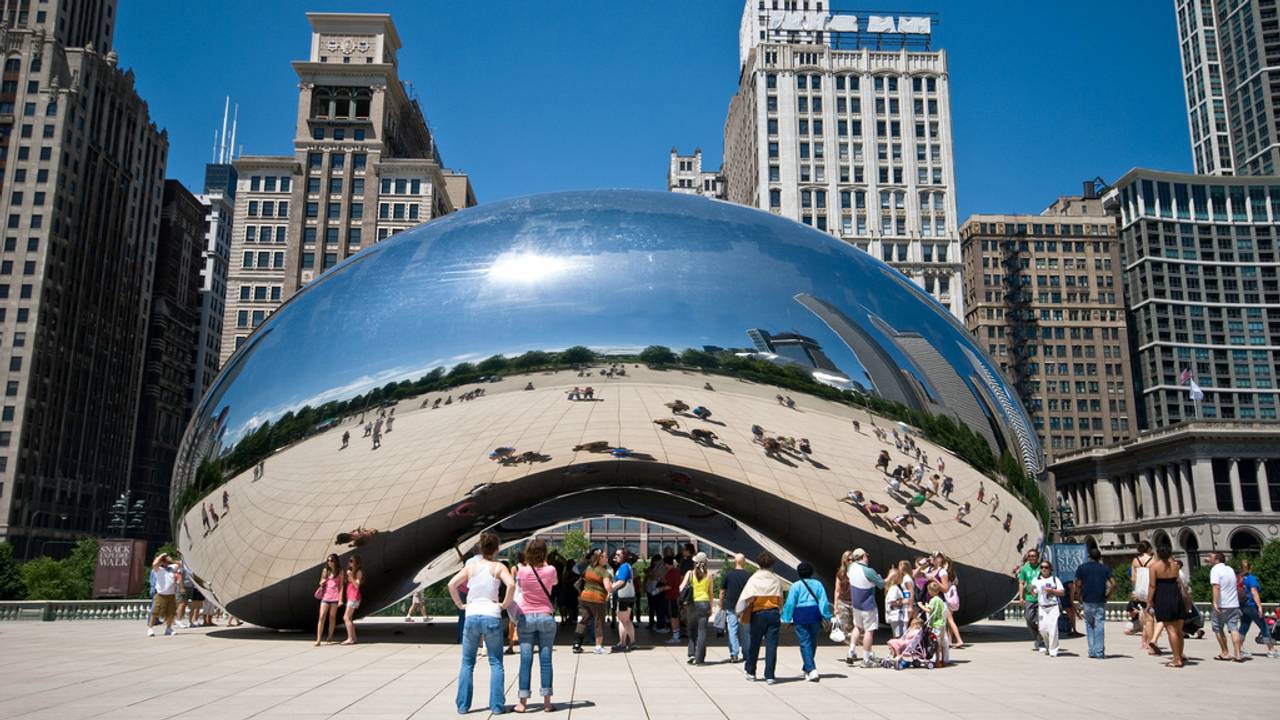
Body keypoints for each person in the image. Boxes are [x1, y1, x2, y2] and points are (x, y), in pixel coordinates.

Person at [449, 532, 515, 715]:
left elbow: (452, 584)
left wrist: (460, 605)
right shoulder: (498, 567)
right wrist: (504, 604)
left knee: (467, 663)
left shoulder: (471, 567)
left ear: (480, 548)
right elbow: (511, 585)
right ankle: (497, 705)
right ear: (496, 549)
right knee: (496, 662)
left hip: (472, 614)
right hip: (492, 615)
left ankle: (463, 705)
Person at [514, 538, 558, 713]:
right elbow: (554, 583)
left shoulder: (522, 571)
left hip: (526, 616)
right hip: (545, 616)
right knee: (546, 660)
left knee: (525, 660)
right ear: (544, 553)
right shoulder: (551, 570)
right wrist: (545, 563)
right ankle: (547, 702)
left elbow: (521, 586)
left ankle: (522, 703)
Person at [737, 551, 785, 684]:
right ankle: (770, 675)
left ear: (758, 563)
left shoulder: (754, 579)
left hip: (758, 614)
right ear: (772, 564)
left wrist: (740, 611)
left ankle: (751, 672)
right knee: (772, 645)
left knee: (755, 643)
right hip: (773, 613)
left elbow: (747, 598)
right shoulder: (776, 579)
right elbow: (780, 599)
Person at [780, 562, 831, 682]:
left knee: (804, 642)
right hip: (815, 613)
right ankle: (808, 667)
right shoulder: (818, 584)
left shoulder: (796, 586)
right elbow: (823, 601)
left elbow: (790, 603)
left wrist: (786, 619)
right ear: (811, 572)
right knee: (812, 641)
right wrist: (826, 615)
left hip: (801, 614)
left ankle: (811, 669)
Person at [1147, 543, 1190, 667]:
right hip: (1176, 596)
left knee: (1171, 630)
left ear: (1158, 554)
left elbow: (1152, 586)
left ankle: (1176, 659)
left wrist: (1149, 601)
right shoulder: (1175, 566)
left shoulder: (1154, 567)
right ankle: (1179, 655)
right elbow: (1180, 583)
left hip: (1163, 597)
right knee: (1179, 631)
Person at [1073, 546, 1115, 659]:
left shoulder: (1082, 568)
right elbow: (1114, 584)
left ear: (1089, 557)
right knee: (1099, 624)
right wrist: (1108, 595)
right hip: (1100, 599)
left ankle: (1092, 650)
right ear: (1099, 557)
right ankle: (1099, 652)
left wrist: (1078, 596)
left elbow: (1078, 584)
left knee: (1089, 624)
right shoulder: (1105, 568)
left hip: (1087, 599)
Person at [846, 548, 885, 668]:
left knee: (857, 627)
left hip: (856, 605)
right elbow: (881, 584)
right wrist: (882, 577)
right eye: (866, 556)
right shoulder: (868, 571)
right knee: (869, 630)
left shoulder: (851, 567)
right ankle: (866, 658)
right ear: (863, 557)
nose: (867, 558)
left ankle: (851, 651)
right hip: (868, 606)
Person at [573, 549, 612, 654]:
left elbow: (576, 571)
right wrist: (611, 586)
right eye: (605, 557)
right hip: (598, 599)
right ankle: (598, 647)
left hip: (585, 597)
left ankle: (576, 644)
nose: (607, 559)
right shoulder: (603, 571)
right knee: (599, 622)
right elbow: (608, 587)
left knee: (584, 620)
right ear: (600, 558)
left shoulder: (588, 568)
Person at [679, 552, 716, 665]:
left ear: (695, 562)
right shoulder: (709, 575)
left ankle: (691, 654)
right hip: (704, 603)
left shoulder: (690, 573)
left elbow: (681, 588)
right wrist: (711, 607)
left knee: (692, 630)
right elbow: (711, 593)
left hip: (691, 604)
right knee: (702, 632)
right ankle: (699, 659)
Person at [1208, 551, 1244, 662]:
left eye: (1210, 557)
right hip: (1234, 604)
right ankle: (1238, 654)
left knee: (1218, 628)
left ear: (1217, 559)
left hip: (1222, 604)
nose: (1208, 559)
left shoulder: (1215, 569)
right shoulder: (1230, 569)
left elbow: (1216, 587)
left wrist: (1215, 602)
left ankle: (1225, 652)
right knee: (1234, 628)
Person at [1238, 559, 1277, 658]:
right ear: (1250, 568)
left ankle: (1239, 649)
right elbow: (1254, 592)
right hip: (1251, 605)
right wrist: (1259, 606)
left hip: (1242, 605)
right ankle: (1271, 650)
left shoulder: (1239, 579)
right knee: (1263, 626)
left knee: (1244, 626)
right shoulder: (1251, 578)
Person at [720, 553, 751, 662]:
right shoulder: (748, 575)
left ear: (735, 561)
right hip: (744, 606)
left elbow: (722, 591)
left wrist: (721, 604)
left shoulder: (728, 574)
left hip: (731, 605)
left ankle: (734, 654)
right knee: (745, 631)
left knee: (732, 630)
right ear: (744, 562)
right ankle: (746, 654)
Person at [1031, 559, 1065, 657]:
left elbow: (1062, 592)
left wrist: (1052, 591)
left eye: (1046, 567)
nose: (1044, 569)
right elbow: (1032, 590)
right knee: (1042, 629)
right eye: (1042, 567)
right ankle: (1048, 645)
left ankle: (1053, 650)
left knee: (1053, 629)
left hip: (1053, 606)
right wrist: (1031, 589)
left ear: (1050, 569)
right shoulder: (1036, 580)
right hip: (1042, 607)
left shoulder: (1054, 579)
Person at [1130, 540, 1156, 653]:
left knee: (1147, 619)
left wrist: (1135, 590)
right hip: (1151, 590)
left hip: (1139, 591)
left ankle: (1150, 643)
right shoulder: (1153, 560)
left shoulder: (1135, 560)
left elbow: (1133, 578)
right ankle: (1153, 643)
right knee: (1152, 619)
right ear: (1149, 548)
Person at [148, 553, 181, 637]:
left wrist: (171, 560)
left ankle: (168, 628)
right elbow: (154, 564)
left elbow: (180, 564)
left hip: (171, 594)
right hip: (161, 594)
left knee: (171, 613)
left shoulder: (171, 567)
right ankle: (150, 628)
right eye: (163, 561)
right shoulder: (158, 569)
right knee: (155, 612)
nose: (165, 562)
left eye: (165, 561)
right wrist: (162, 555)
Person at [610, 548, 637, 652]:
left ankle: (622, 643)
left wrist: (610, 589)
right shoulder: (628, 566)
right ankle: (632, 642)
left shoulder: (624, 567)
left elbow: (621, 581)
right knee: (627, 620)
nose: (616, 556)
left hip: (622, 597)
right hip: (629, 596)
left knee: (622, 620)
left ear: (624, 556)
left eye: (618, 555)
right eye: (615, 554)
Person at [1016, 548, 1043, 651]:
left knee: (1041, 621)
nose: (1032, 558)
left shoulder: (1042, 567)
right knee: (1029, 619)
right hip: (1029, 598)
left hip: (1041, 599)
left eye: (1034, 556)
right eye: (1030, 556)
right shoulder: (1025, 569)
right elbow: (1021, 583)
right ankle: (1037, 637)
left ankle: (1040, 640)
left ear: (1037, 557)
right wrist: (1021, 597)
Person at [315, 553, 343, 645]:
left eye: (331, 560)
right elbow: (320, 582)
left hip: (334, 597)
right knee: (322, 616)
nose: (329, 562)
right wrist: (322, 582)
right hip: (325, 597)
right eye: (328, 560)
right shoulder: (325, 570)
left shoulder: (340, 571)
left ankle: (330, 636)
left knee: (332, 617)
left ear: (335, 561)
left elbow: (341, 586)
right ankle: (318, 639)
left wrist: (340, 599)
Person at [832, 551, 854, 661]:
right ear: (844, 561)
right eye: (849, 560)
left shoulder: (856, 572)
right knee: (846, 627)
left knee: (857, 627)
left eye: (853, 559)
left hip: (855, 602)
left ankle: (852, 648)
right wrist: (835, 606)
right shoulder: (840, 573)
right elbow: (837, 591)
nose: (851, 562)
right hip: (843, 602)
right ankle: (851, 649)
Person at [922, 580, 950, 666]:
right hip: (942, 624)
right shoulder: (940, 600)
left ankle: (937, 661)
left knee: (935, 643)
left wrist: (921, 606)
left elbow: (929, 610)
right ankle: (943, 660)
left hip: (935, 625)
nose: (928, 593)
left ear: (931, 591)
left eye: (929, 591)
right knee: (941, 642)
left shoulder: (933, 600)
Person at [885, 560, 913, 638]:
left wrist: (907, 600)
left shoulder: (896, 586)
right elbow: (892, 602)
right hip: (896, 615)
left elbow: (907, 592)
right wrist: (904, 602)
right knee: (898, 636)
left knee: (898, 634)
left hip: (896, 615)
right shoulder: (894, 588)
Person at [341, 555, 363, 645]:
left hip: (354, 596)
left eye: (352, 561)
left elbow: (357, 585)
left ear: (356, 562)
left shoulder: (358, 572)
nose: (350, 563)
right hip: (351, 596)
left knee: (346, 617)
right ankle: (354, 638)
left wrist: (350, 576)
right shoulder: (351, 571)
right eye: (349, 561)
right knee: (349, 618)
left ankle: (350, 638)